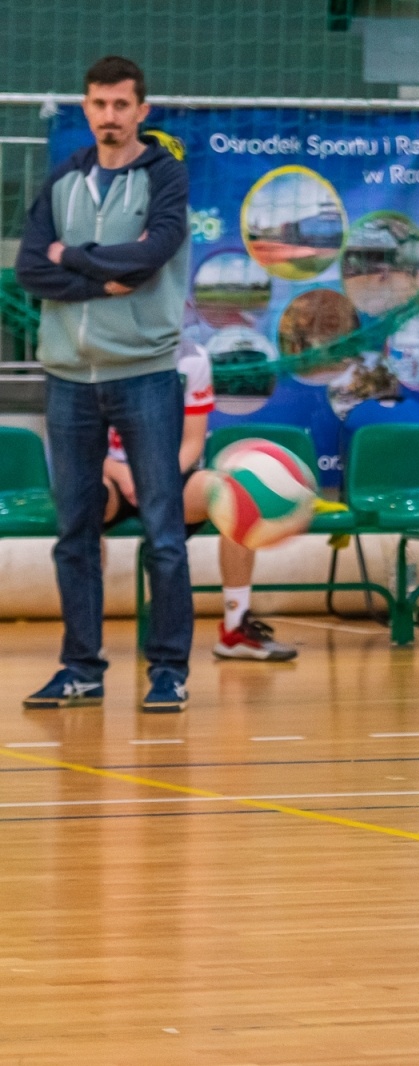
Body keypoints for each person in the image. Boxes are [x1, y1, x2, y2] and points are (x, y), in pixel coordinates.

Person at [14, 56, 194, 712]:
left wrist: (75, 257)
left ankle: (169, 671)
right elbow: (32, 267)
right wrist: (94, 275)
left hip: (144, 373)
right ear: (85, 109)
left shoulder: (166, 177)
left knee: (165, 533)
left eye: (121, 105)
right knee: (74, 534)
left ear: (142, 111)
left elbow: (149, 258)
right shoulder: (64, 179)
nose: (109, 116)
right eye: (98, 104)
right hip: (66, 378)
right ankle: (81, 669)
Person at [101, 341, 296, 662]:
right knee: (85, 500)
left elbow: (192, 442)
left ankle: (236, 630)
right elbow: (78, 448)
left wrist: (156, 476)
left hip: (168, 472)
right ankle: (89, 638)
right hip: (112, 472)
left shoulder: (191, 357)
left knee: (236, 494)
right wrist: (123, 475)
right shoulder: (99, 348)